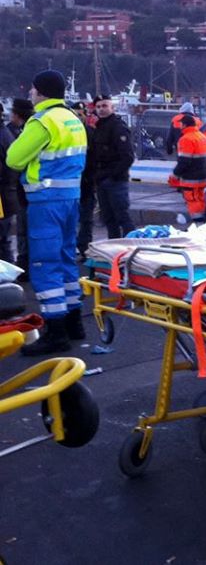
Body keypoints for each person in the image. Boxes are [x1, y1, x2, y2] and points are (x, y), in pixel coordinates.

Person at [6, 70, 88, 354]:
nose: (30, 93)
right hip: (70, 198)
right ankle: (75, 322)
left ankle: (56, 332)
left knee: (44, 263)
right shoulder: (72, 119)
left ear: (40, 91)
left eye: (32, 89)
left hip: (46, 200)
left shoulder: (41, 121)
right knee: (66, 259)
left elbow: (14, 158)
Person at [90, 94, 135, 239]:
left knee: (123, 217)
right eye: (98, 107)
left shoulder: (118, 127)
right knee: (109, 219)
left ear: (112, 108)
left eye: (104, 106)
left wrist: (112, 175)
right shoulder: (99, 127)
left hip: (115, 181)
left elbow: (127, 157)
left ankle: (132, 248)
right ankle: (114, 249)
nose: (101, 109)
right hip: (102, 180)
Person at [168, 114, 206, 223]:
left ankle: (198, 226)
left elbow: (184, 161)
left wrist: (175, 175)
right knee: (201, 201)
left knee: (193, 203)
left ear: (184, 125)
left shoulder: (185, 139)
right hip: (203, 177)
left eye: (181, 124)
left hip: (190, 179)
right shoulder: (202, 137)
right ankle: (204, 224)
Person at [9, 98, 34, 274]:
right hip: (21, 189)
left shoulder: (16, 132)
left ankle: (22, 263)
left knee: (23, 229)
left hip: (20, 189)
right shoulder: (13, 131)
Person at [74, 101, 98, 256]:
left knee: (86, 220)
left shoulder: (90, 133)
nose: (77, 117)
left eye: (80, 114)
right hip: (71, 182)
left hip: (86, 183)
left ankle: (84, 248)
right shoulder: (70, 133)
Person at [0, 103, 20, 264]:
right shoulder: (6, 134)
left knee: (2, 239)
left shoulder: (3, 136)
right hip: (6, 193)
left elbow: (9, 169)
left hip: (3, 195)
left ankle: (7, 277)